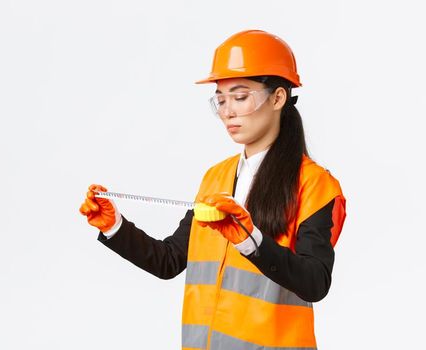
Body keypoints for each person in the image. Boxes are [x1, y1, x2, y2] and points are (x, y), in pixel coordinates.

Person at [78, 30, 347, 349]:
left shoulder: (315, 185)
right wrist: (114, 226)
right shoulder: (215, 178)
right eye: (220, 100)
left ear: (277, 98)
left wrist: (252, 241)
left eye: (241, 96)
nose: (228, 112)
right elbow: (170, 261)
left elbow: (315, 282)